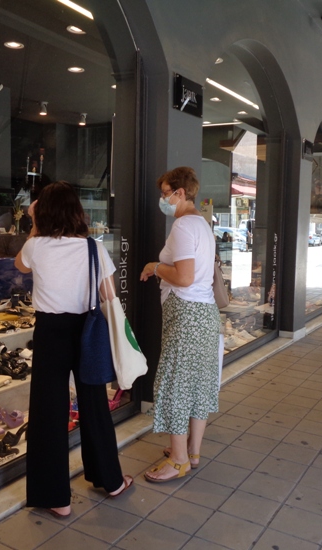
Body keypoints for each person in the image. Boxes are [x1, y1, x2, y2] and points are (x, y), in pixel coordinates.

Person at [15, 181, 133, 518]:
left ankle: (56, 498)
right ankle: (111, 481)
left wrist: (35, 223)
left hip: (49, 332)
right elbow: (109, 295)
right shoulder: (94, 248)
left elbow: (20, 266)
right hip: (87, 329)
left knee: (48, 412)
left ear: (43, 212)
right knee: (94, 404)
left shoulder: (35, 246)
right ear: (76, 211)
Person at [140, 166, 221, 482]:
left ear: (180, 192)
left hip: (186, 315)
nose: (163, 199)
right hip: (205, 314)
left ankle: (178, 460)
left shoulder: (183, 226)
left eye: (165, 193)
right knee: (198, 383)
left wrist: (155, 266)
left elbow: (184, 278)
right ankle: (193, 451)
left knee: (173, 384)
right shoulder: (202, 225)